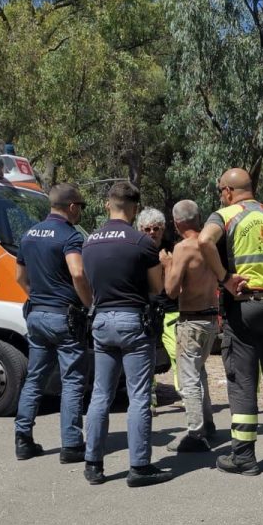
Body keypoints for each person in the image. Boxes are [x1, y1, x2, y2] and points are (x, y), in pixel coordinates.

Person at [195, 167, 263, 475]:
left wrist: (225, 278)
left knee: (243, 382)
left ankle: (243, 456)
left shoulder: (226, 215)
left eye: (220, 191)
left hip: (246, 307)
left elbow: (204, 241)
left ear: (227, 191)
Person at [81, 180, 173, 487]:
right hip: (133, 320)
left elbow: (83, 278)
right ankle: (139, 467)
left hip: (101, 320)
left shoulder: (89, 242)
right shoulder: (141, 242)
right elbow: (157, 287)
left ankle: (93, 464)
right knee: (139, 396)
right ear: (134, 208)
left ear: (108, 204)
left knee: (100, 394)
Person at [13, 183, 92, 462]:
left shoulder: (29, 234)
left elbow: (19, 277)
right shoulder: (70, 236)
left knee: (35, 378)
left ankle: (23, 439)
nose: (80, 211)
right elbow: (78, 272)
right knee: (72, 381)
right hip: (64, 316)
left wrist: (37, 298)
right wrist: (89, 304)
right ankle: (71, 445)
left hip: (36, 314)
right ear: (71, 206)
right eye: (80, 206)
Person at [163, 199, 219, 452]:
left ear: (177, 223)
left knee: (189, 379)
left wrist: (168, 266)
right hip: (211, 318)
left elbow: (171, 290)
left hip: (191, 320)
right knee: (200, 373)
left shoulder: (183, 248)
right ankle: (208, 423)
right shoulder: (212, 243)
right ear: (198, 219)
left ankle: (195, 433)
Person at [136, 207, 178, 410]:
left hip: (170, 309)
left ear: (163, 229)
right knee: (146, 357)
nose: (152, 232)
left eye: (156, 228)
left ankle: (186, 393)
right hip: (146, 310)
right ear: (140, 229)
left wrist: (168, 265)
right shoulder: (136, 249)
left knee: (178, 353)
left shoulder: (173, 249)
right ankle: (149, 398)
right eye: (147, 229)